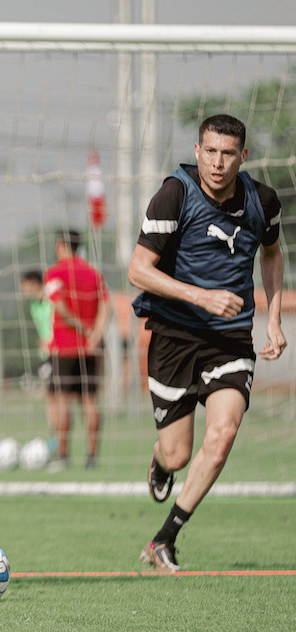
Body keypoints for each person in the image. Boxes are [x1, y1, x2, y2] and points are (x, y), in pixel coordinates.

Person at [128, 114, 286, 573]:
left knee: (223, 435)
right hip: (174, 336)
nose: (218, 163)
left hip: (230, 338)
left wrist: (273, 320)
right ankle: (161, 462)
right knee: (177, 452)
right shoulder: (175, 193)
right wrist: (200, 296)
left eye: (228, 154)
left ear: (243, 156)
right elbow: (138, 269)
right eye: (210, 152)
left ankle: (164, 540)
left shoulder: (263, 201)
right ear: (197, 151)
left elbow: (273, 254)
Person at [43, 229, 109, 471]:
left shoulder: (54, 272)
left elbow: (59, 306)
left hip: (64, 348)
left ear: (61, 245)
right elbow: (105, 308)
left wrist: (78, 326)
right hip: (89, 350)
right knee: (90, 401)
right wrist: (95, 336)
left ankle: (63, 456)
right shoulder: (93, 273)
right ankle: (92, 456)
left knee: (63, 402)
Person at [19, 269, 58, 456]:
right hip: (48, 356)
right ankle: (55, 440)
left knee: (63, 398)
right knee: (51, 398)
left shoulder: (52, 299)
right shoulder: (34, 306)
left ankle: (59, 442)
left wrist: (51, 341)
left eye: (24, 284)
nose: (22, 289)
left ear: (34, 282)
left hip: (61, 352)